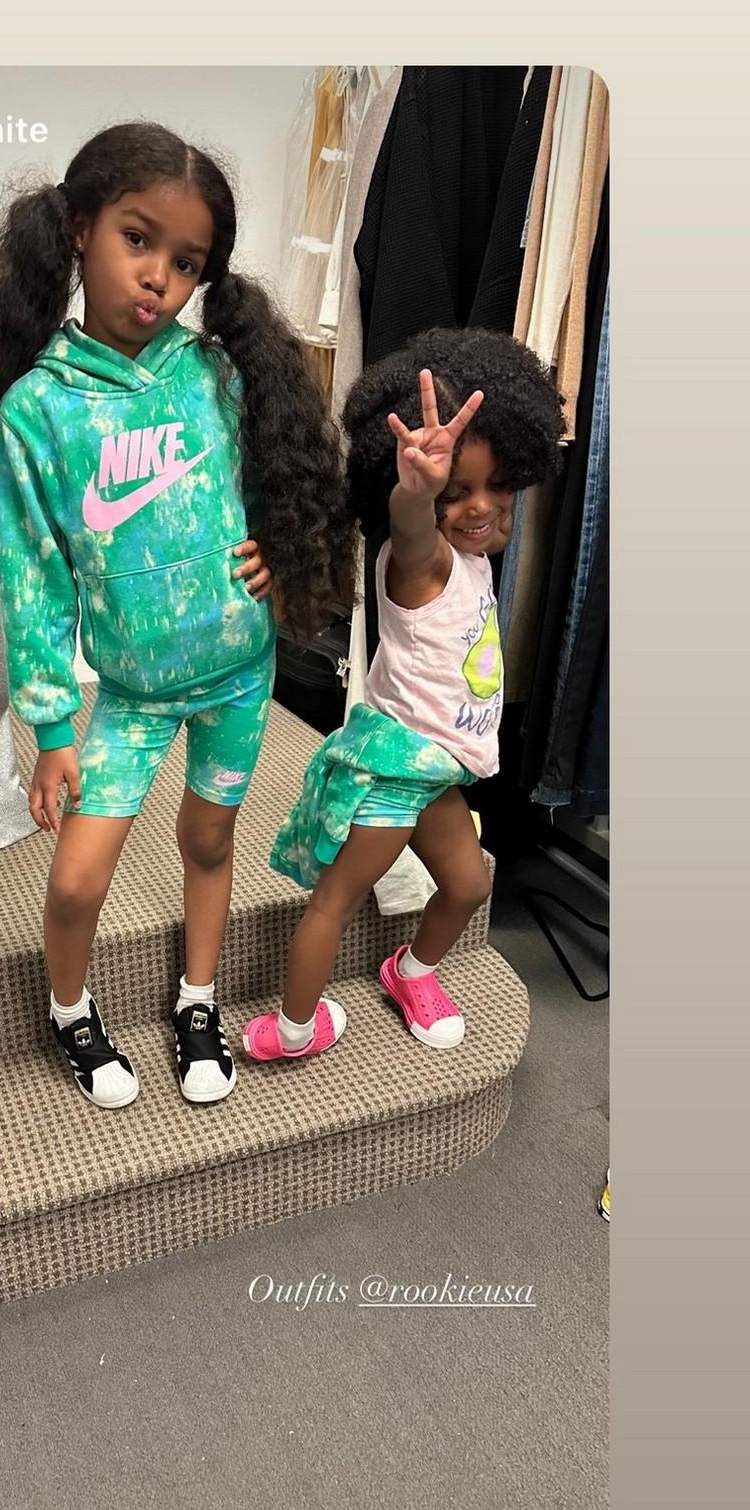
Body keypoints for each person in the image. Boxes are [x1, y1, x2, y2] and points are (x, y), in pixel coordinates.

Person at [0, 122, 353, 1108]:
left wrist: (279, 554)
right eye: (137, 239)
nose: (159, 276)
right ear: (78, 229)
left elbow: (284, 481)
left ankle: (198, 1001)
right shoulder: (38, 411)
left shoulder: (217, 376)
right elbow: (33, 579)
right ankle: (69, 1012)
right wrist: (48, 727)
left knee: (209, 841)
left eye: (186, 261)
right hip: (130, 695)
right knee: (78, 878)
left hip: (239, 677)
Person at [243, 326, 565, 1063]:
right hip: (392, 773)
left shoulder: (476, 560)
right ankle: (293, 1030)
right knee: (333, 904)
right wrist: (417, 494)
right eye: (457, 493)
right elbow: (413, 527)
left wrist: (449, 496)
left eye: (498, 486)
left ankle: (409, 971)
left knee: (466, 885)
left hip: (436, 773)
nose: (479, 507)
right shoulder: (421, 560)